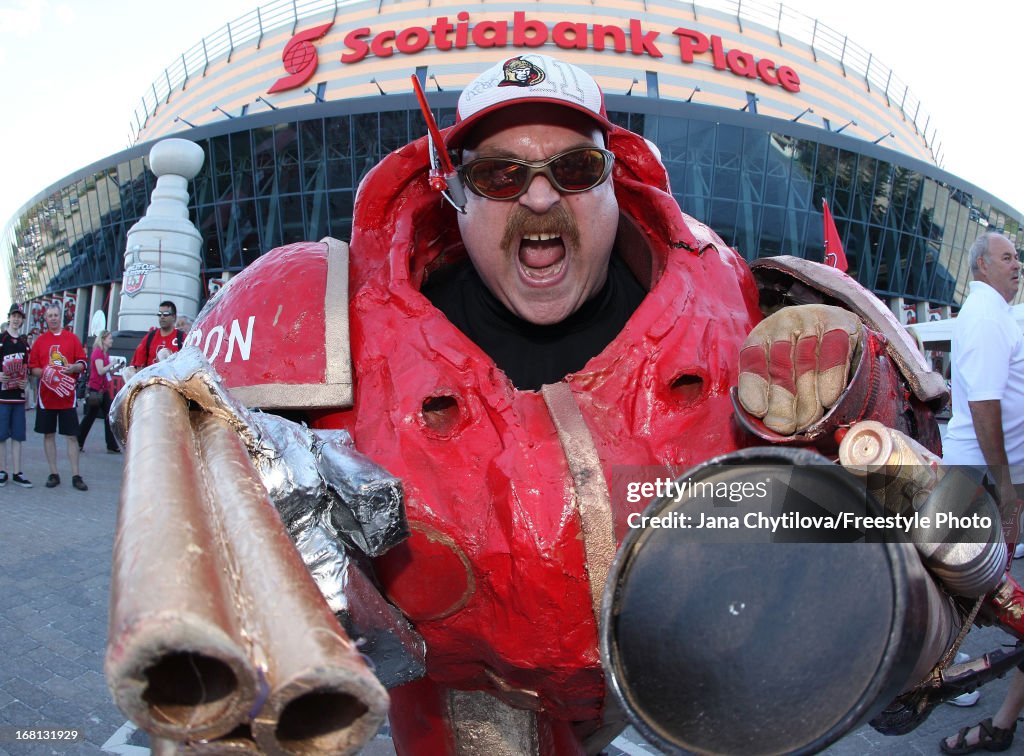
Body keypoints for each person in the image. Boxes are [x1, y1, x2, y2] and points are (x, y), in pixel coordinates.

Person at [131, 54, 953, 753]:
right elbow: (195, 517)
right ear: (454, 192)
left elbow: (918, 526)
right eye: (499, 172)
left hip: (700, 692)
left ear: (616, 183)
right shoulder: (334, 320)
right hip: (468, 709)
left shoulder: (734, 303)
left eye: (573, 168)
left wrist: (848, 398)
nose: (537, 197)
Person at [940, 231, 1024, 754]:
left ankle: (952, 674)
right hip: (982, 475)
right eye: (1007, 257)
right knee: (970, 576)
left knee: (975, 574)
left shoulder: (996, 312)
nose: (1018, 265)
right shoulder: (988, 316)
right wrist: (1008, 486)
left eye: (1018, 257)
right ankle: (948, 674)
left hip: (988, 472)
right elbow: (985, 407)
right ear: (980, 268)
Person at [28, 303, 88, 491]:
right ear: (45, 319)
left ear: (60, 316)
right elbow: (33, 368)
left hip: (67, 396)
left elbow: (82, 363)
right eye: (49, 316)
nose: (53, 318)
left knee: (71, 436)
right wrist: (45, 373)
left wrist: (74, 367)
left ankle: (76, 475)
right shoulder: (40, 341)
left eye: (55, 315)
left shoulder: (71, 338)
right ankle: (54, 473)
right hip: (47, 398)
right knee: (48, 435)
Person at [0, 304, 32, 487]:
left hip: (18, 396)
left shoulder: (24, 344)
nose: (16, 319)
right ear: (9, 317)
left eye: (19, 316)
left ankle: (17, 471)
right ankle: (2, 470)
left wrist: (25, 381)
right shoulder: (1, 340)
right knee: (1, 435)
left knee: (18, 436)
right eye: (14, 315)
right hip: (2, 396)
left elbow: (26, 370)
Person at [76, 330, 120, 454]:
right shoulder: (98, 353)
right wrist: (111, 364)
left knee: (106, 416)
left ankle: (110, 444)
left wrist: (114, 368)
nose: (111, 341)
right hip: (96, 389)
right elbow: (100, 371)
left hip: (103, 388)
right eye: (110, 338)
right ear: (104, 339)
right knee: (91, 416)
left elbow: (105, 372)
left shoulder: (104, 354)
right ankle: (79, 441)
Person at [129, 300, 185, 368]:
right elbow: (139, 366)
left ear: (174, 317)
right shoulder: (150, 337)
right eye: (159, 314)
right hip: (151, 378)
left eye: (166, 314)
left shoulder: (182, 338)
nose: (162, 317)